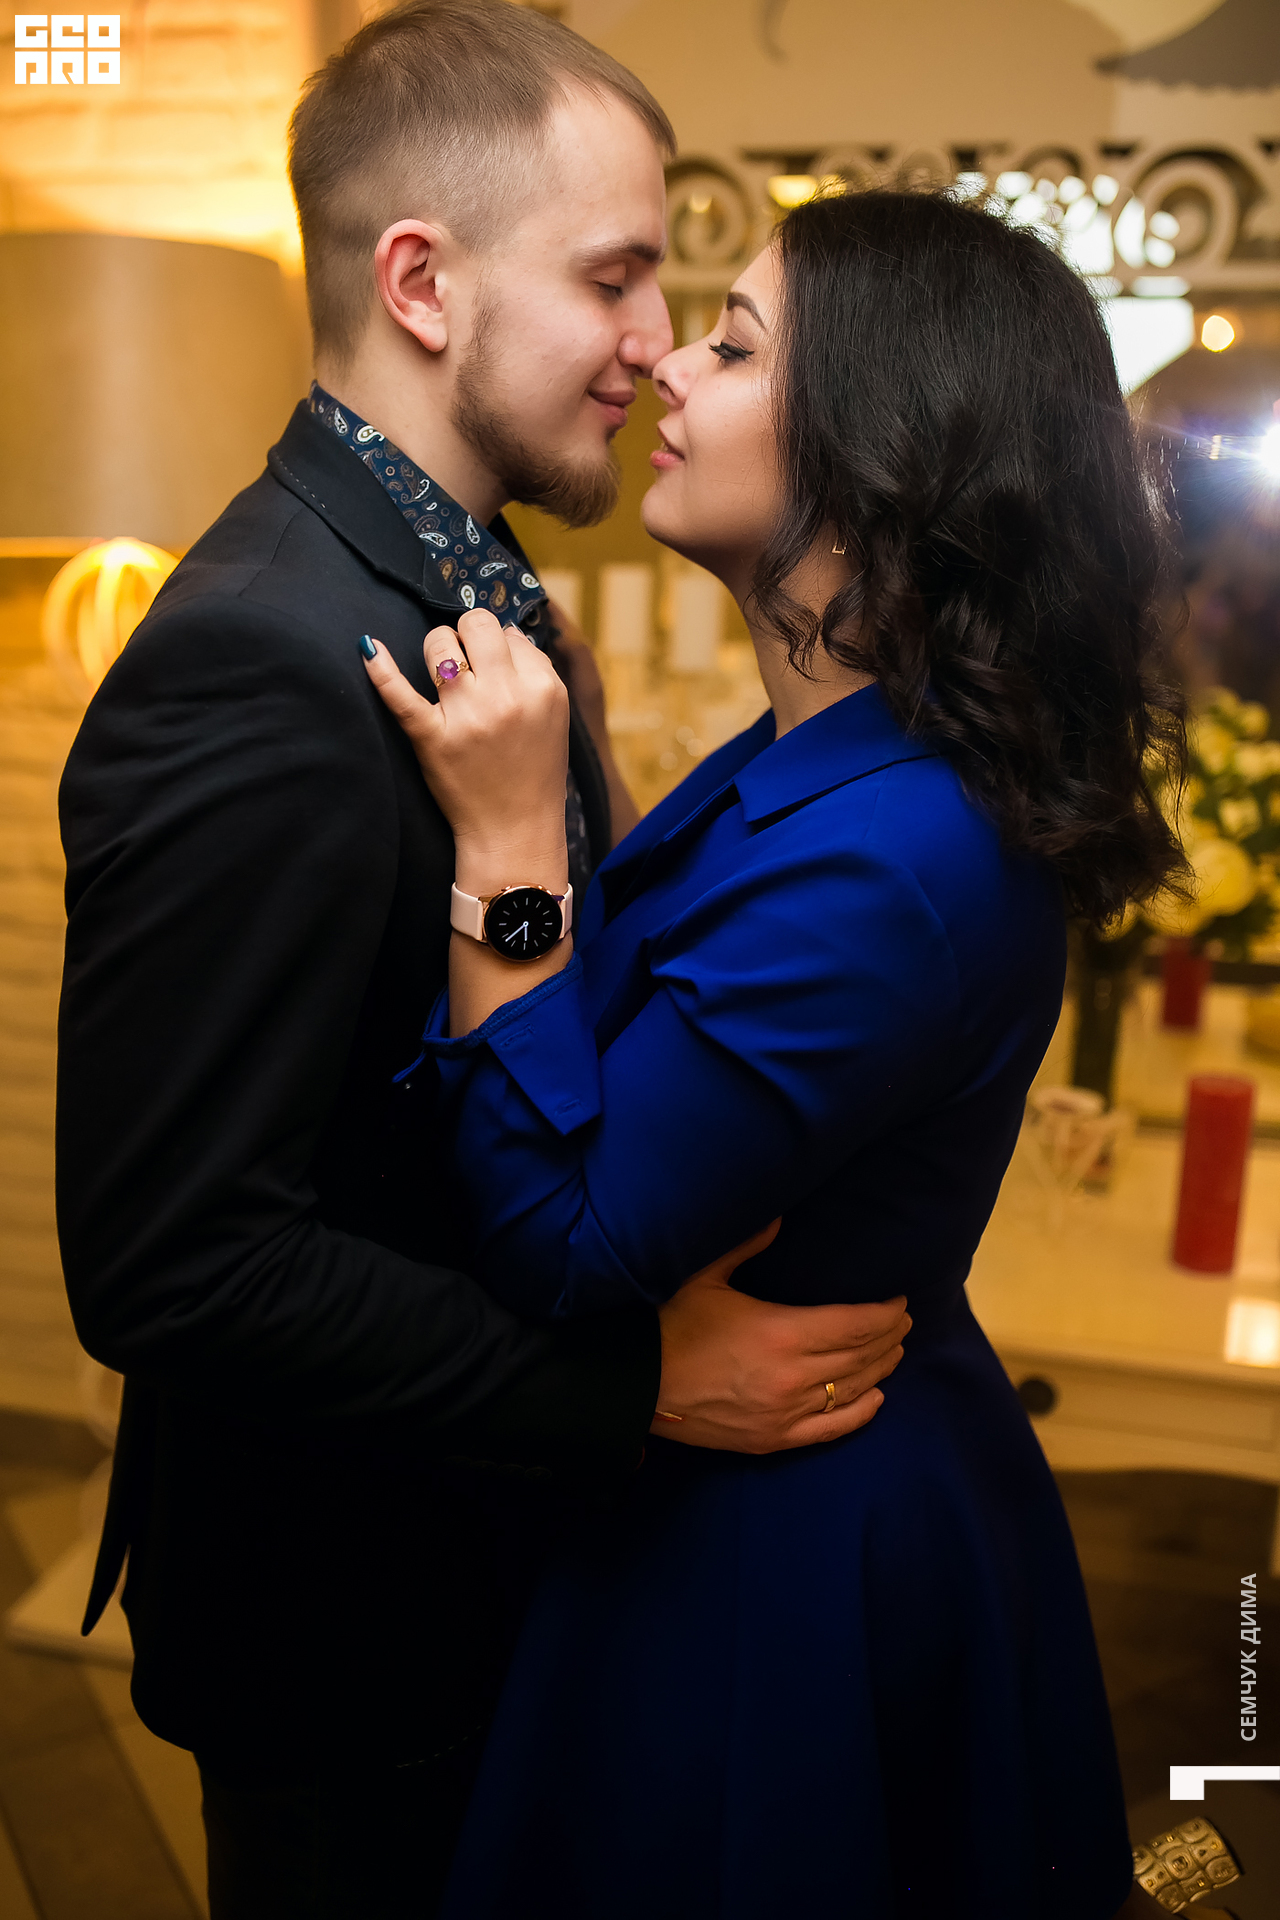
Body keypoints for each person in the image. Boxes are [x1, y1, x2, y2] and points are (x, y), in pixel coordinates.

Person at [55, 5, 911, 1914]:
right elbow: (173, 1262)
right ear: (422, 285)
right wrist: (635, 1388)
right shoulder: (260, 658)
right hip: (350, 1623)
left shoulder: (468, 583)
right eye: (613, 276)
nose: (653, 341)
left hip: (482, 1572)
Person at [361, 188, 1187, 1918]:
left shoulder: (898, 856)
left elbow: (559, 1233)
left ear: (880, 451)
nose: (666, 362)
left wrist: (508, 853)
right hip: (753, 1487)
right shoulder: (838, 752)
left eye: (733, 348)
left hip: (781, 1552)